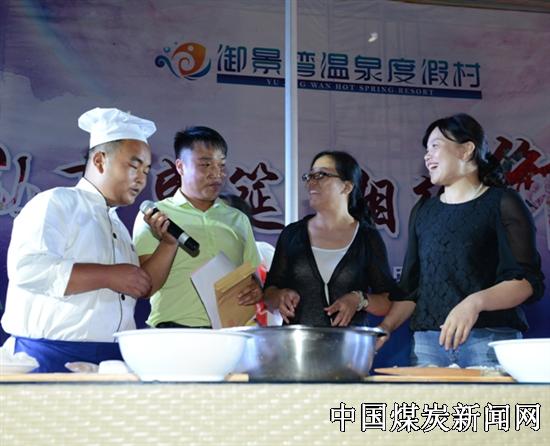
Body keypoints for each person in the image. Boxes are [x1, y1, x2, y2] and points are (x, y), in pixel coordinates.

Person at [377, 113, 545, 367]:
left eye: (435, 146)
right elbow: (411, 290)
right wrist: (385, 328)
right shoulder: (423, 211)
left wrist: (474, 303)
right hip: (428, 346)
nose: (427, 156)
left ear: (466, 150)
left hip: (487, 341)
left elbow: (526, 282)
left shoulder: (502, 202)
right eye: (426, 149)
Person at [1, 107, 157, 372]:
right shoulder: (56, 202)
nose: (142, 178)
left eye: (146, 169)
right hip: (49, 358)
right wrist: (108, 275)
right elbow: (28, 269)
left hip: (109, 361)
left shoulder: (118, 225)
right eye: (134, 166)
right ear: (99, 160)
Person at [132, 126, 262, 328]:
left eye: (221, 165)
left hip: (230, 333)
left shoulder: (238, 219)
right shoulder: (156, 216)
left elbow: (252, 277)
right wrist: (168, 243)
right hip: (175, 332)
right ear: (180, 166)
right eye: (205, 165)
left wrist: (256, 289)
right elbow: (145, 287)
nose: (216, 174)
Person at [263, 150, 400, 327]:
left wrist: (359, 299)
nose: (311, 182)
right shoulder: (292, 234)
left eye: (321, 175)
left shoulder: (367, 237)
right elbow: (269, 293)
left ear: (347, 187)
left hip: (349, 343)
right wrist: (280, 297)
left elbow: (388, 300)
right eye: (309, 176)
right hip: (298, 342)